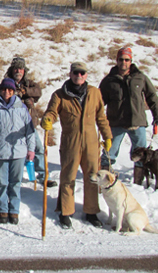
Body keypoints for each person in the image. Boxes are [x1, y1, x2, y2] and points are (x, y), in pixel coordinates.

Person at [41, 62, 112, 229]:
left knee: (92, 177)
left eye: (82, 73)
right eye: (75, 73)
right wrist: (48, 119)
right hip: (70, 142)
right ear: (70, 74)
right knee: (68, 178)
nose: (78, 76)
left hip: (91, 143)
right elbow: (51, 111)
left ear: (86, 75)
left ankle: (91, 211)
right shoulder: (59, 94)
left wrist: (107, 136)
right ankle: (66, 212)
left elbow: (101, 116)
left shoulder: (94, 93)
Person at [99, 47, 158, 184]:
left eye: (127, 60)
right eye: (121, 59)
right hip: (116, 123)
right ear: (117, 61)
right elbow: (99, 101)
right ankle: (104, 180)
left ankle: (138, 182)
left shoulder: (141, 78)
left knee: (141, 156)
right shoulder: (109, 80)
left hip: (137, 123)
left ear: (131, 61)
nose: (124, 62)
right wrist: (94, 117)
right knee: (109, 154)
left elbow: (152, 97)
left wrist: (157, 115)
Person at [0, 78, 35, 225]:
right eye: (4, 89)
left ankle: (14, 210)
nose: (7, 92)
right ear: (0, 90)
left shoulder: (21, 108)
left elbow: (30, 131)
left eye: (10, 90)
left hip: (18, 152)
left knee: (15, 182)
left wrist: (31, 149)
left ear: (14, 91)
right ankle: (3, 209)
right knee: (2, 183)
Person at [6, 57, 57, 188]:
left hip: (29, 125)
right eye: (16, 68)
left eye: (21, 68)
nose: (18, 71)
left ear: (24, 70)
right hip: (13, 125)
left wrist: (25, 92)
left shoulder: (30, 84)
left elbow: (38, 92)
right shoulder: (6, 83)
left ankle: (44, 176)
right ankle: (11, 176)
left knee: (38, 149)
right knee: (12, 151)